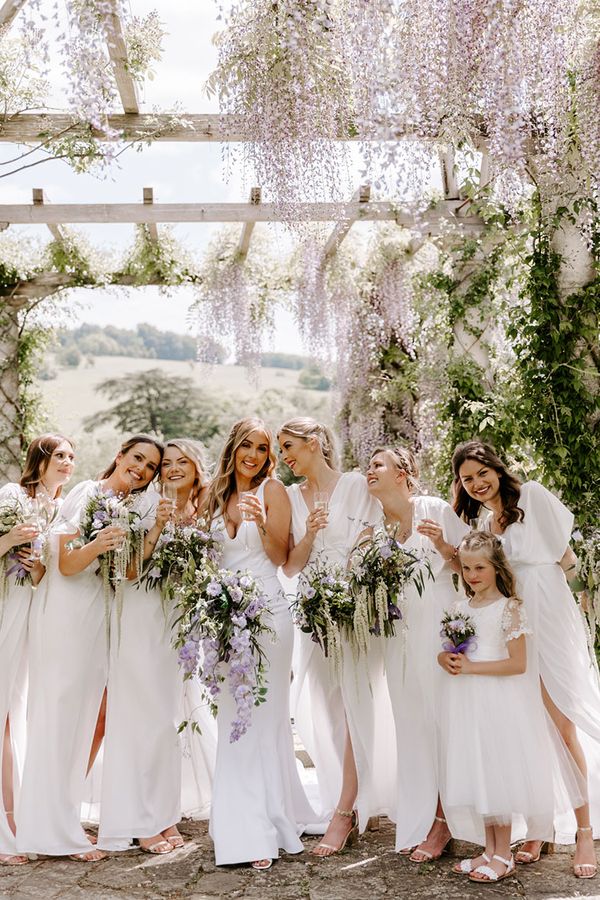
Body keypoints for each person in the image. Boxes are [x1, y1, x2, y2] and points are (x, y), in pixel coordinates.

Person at [452, 440, 600, 878]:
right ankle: (539, 827)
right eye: (467, 479)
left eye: (482, 473)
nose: (477, 483)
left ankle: (585, 832)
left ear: (497, 469)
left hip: (548, 610)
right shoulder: (480, 520)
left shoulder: (532, 496)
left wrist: (584, 598)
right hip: (510, 618)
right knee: (524, 723)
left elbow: (566, 556)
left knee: (561, 721)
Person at [16, 435, 162, 861]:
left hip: (96, 615)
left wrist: (150, 532)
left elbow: (129, 571)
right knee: (58, 716)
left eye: (150, 466)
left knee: (78, 720)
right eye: (137, 458)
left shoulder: (133, 509)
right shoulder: (88, 492)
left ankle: (58, 820)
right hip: (65, 612)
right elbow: (65, 561)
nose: (141, 468)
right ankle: (53, 832)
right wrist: (99, 545)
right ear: (119, 456)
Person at [438, 531, 584, 883]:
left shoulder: (510, 608)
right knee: (478, 771)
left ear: (496, 567)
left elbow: (518, 664)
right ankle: (489, 849)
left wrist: (471, 668)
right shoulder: (460, 608)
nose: (472, 575)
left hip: (497, 701)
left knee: (494, 772)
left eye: (480, 568)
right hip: (467, 701)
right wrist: (446, 658)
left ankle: (504, 853)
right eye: (468, 567)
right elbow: (451, 650)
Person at [206, 418, 315, 870]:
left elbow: (284, 560)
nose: (252, 454)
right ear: (232, 446)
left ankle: (264, 823)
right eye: (246, 445)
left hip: (268, 613)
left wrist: (262, 522)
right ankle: (235, 820)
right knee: (233, 715)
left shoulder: (273, 491)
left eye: (262, 447)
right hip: (223, 616)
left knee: (265, 716)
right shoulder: (211, 494)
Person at [278, 418, 384, 856]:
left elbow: (378, 539)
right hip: (314, 610)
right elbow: (289, 566)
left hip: (357, 610)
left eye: (289, 447)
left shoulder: (359, 484)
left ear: (315, 442)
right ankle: (349, 799)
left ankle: (345, 811)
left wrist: (352, 585)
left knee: (357, 702)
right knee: (327, 707)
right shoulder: (288, 496)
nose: (284, 456)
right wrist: (311, 533)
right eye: (281, 450)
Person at [364, 446, 468, 860]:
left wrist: (444, 546)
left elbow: (476, 565)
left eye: (377, 465)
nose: (369, 471)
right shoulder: (373, 526)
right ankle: (423, 816)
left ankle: (444, 822)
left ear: (404, 471)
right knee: (412, 726)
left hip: (437, 629)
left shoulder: (434, 508)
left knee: (442, 723)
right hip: (397, 636)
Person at [0, 434, 75, 865]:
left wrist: (39, 567)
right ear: (40, 460)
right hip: (5, 608)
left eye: (72, 456)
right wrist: (10, 539)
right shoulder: (13, 495)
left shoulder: (61, 510)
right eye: (60, 455)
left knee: (19, 713)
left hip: (34, 613)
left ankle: (19, 819)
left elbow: (49, 574)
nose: (68, 462)